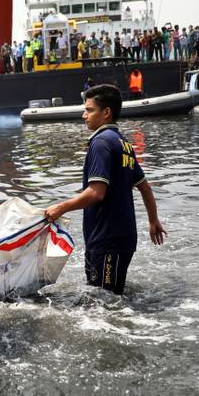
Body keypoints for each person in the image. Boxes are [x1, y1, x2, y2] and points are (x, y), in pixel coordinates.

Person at [43, 84, 166, 295]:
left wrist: (61, 208)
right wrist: (153, 220)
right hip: (119, 237)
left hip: (108, 239)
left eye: (89, 110)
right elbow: (144, 187)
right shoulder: (123, 143)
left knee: (105, 302)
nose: (84, 115)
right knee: (103, 295)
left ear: (106, 112)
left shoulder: (101, 143)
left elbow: (96, 193)